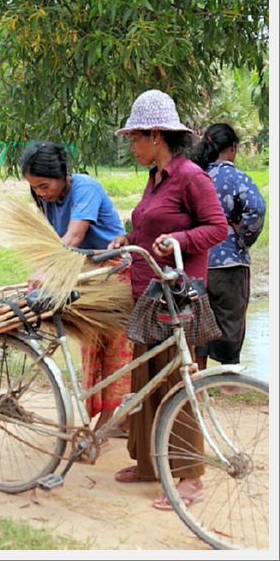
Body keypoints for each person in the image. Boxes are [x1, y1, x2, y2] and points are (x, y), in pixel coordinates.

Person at [109, 90, 229, 509]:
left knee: (178, 382)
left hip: (178, 296)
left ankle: (190, 476)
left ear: (155, 136)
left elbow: (217, 228)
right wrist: (130, 238)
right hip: (147, 292)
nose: (132, 146)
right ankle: (147, 462)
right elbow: (149, 223)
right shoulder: (155, 178)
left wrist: (178, 239)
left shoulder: (192, 177)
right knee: (146, 379)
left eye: (135, 138)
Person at [21, 141, 133, 434]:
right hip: (84, 276)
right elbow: (57, 243)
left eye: (44, 185)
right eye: (35, 188)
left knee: (115, 351)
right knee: (90, 349)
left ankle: (108, 425)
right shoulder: (47, 199)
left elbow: (73, 236)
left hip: (114, 276)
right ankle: (107, 419)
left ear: (62, 174)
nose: (40, 193)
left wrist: (47, 271)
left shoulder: (85, 188)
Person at [192, 123, 266, 376]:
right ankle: (229, 380)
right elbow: (256, 209)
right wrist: (243, 234)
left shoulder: (195, 176)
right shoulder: (238, 178)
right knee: (231, 320)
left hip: (196, 261)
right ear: (232, 149)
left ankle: (199, 378)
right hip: (229, 262)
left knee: (199, 320)